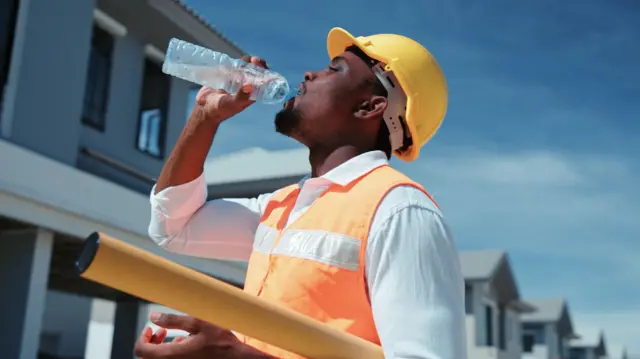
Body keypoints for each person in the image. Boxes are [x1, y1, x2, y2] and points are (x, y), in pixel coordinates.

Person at [134, 27, 467, 359]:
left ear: (369, 106)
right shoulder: (282, 207)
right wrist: (204, 119)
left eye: (335, 69)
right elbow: (173, 226)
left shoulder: (400, 210)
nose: (309, 73)